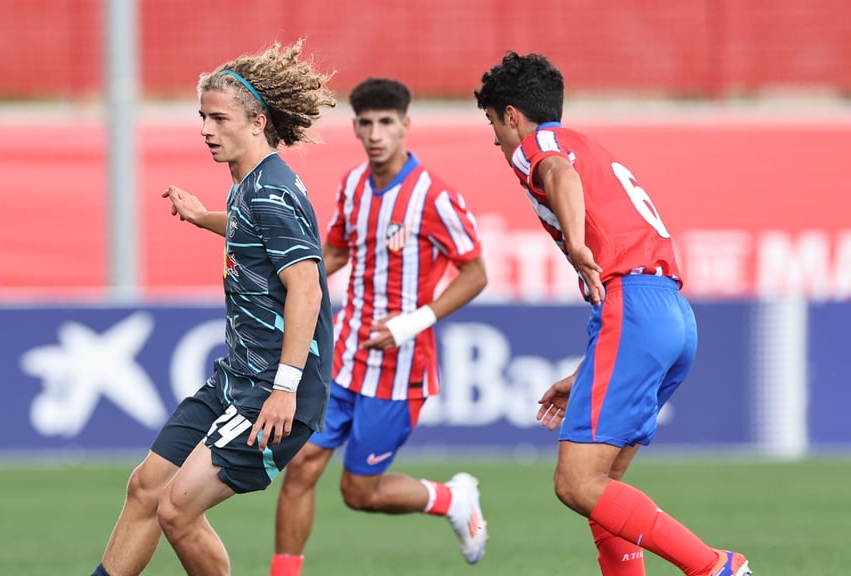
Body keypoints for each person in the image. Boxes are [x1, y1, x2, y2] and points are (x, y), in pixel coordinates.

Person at [473, 52, 752, 576]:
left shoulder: (541, 146)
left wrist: (576, 245)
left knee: (576, 483)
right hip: (669, 311)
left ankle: (716, 567)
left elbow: (557, 174)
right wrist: (585, 373)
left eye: (492, 123)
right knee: (605, 491)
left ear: (512, 114)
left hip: (635, 308)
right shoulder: (590, 147)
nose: (495, 139)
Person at [89, 39, 337, 576]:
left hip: (275, 389)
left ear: (256, 122)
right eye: (202, 115)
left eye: (218, 117)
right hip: (237, 378)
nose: (205, 128)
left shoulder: (270, 192)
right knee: (145, 487)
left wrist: (285, 388)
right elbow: (255, 236)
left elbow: (308, 289)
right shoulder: (250, 185)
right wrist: (204, 218)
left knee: (176, 508)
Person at [270, 77, 490, 576]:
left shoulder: (433, 196)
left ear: (405, 125)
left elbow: (476, 273)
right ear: (354, 127)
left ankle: (452, 498)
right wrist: (281, 282)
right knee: (300, 466)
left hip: (400, 370)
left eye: (386, 123)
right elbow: (338, 251)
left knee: (358, 493)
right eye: (366, 123)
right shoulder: (351, 185)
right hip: (344, 357)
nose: (375, 133)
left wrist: (413, 322)